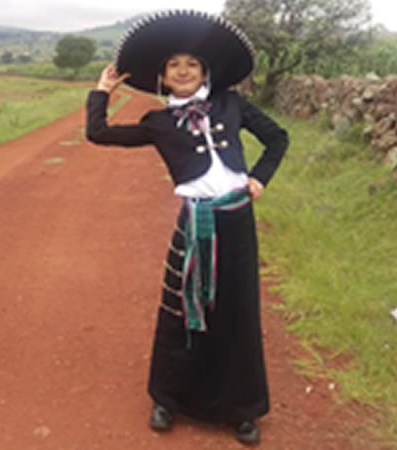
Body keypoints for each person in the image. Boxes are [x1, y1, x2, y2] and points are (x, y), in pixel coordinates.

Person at [84, 10, 289, 446]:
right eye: (174, 65)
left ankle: (241, 409)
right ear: (162, 76)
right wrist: (102, 92)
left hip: (237, 222)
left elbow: (278, 138)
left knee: (237, 313)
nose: (183, 71)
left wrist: (259, 178)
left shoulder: (231, 103)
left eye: (191, 64)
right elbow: (98, 133)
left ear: (205, 72)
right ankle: (168, 399)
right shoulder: (158, 123)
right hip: (194, 222)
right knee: (181, 311)